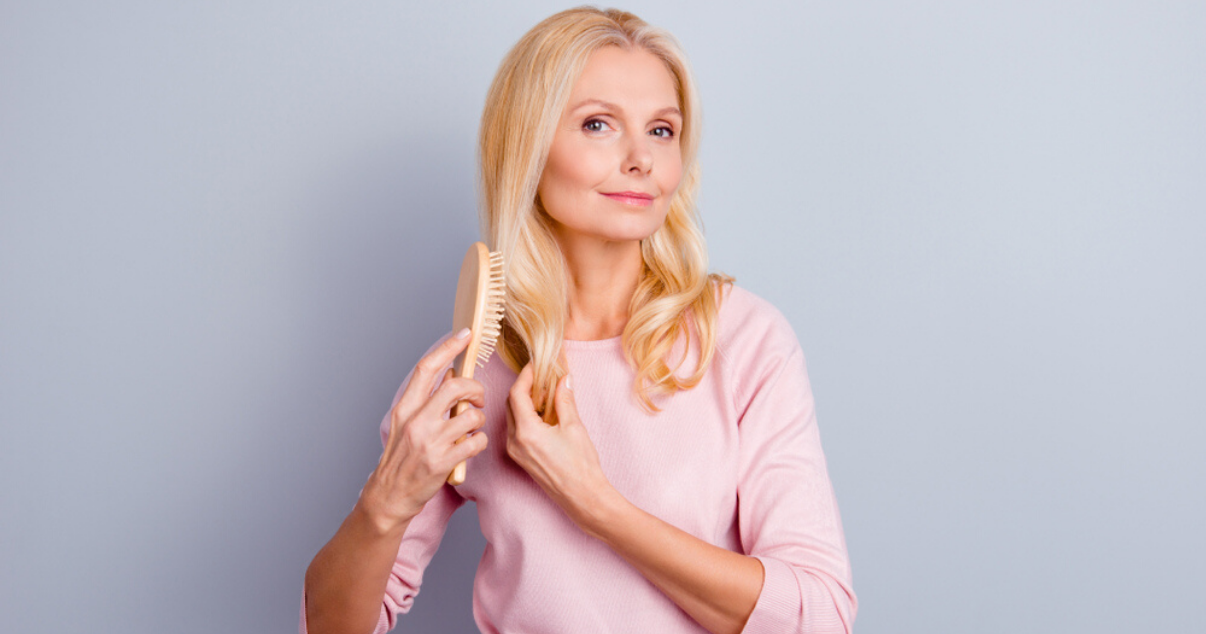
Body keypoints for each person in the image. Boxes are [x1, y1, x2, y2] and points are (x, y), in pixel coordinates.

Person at [302, 7, 856, 634]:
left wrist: (596, 505)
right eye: (598, 124)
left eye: (662, 131)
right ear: (528, 147)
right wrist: (383, 504)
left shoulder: (743, 342)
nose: (641, 159)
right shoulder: (471, 366)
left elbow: (819, 616)